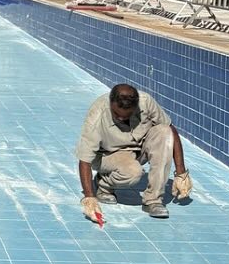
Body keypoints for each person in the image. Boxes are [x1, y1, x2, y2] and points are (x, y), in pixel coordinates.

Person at [76, 83, 192, 222]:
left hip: (138, 149)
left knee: (164, 131)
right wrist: (89, 197)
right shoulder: (97, 114)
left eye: (127, 115)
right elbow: (85, 159)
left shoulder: (146, 102)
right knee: (133, 172)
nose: (121, 119)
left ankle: (153, 200)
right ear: (111, 103)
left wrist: (181, 174)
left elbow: (170, 129)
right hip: (108, 155)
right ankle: (104, 184)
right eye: (117, 114)